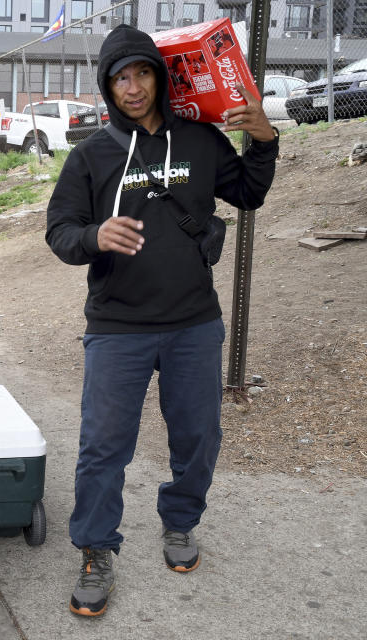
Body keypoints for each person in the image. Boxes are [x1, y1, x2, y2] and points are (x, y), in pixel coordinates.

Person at [45, 24, 278, 617]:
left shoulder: (199, 139)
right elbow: (60, 232)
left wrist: (265, 140)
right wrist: (95, 235)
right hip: (117, 327)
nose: (132, 87)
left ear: (158, 75)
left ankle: (180, 522)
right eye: (120, 78)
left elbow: (248, 192)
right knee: (103, 447)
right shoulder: (91, 155)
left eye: (142, 73)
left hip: (193, 323)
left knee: (199, 436)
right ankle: (96, 549)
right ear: (107, 86)